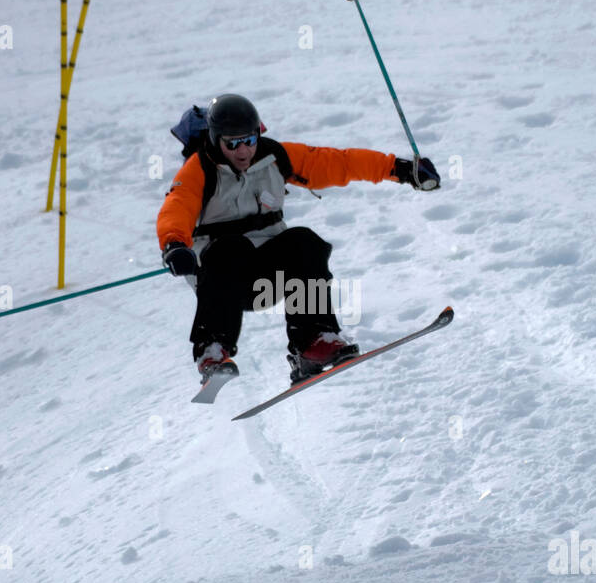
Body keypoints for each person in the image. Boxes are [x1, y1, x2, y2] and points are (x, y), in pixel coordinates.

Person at [156, 94, 440, 383]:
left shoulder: (275, 156)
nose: (243, 150)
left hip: (269, 282)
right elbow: (177, 206)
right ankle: (212, 350)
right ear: (216, 140)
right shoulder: (199, 169)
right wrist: (175, 244)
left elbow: (339, 163)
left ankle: (314, 342)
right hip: (226, 285)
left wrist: (399, 169)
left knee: (304, 241)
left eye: (249, 140)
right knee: (231, 247)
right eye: (232, 143)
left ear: (258, 134)